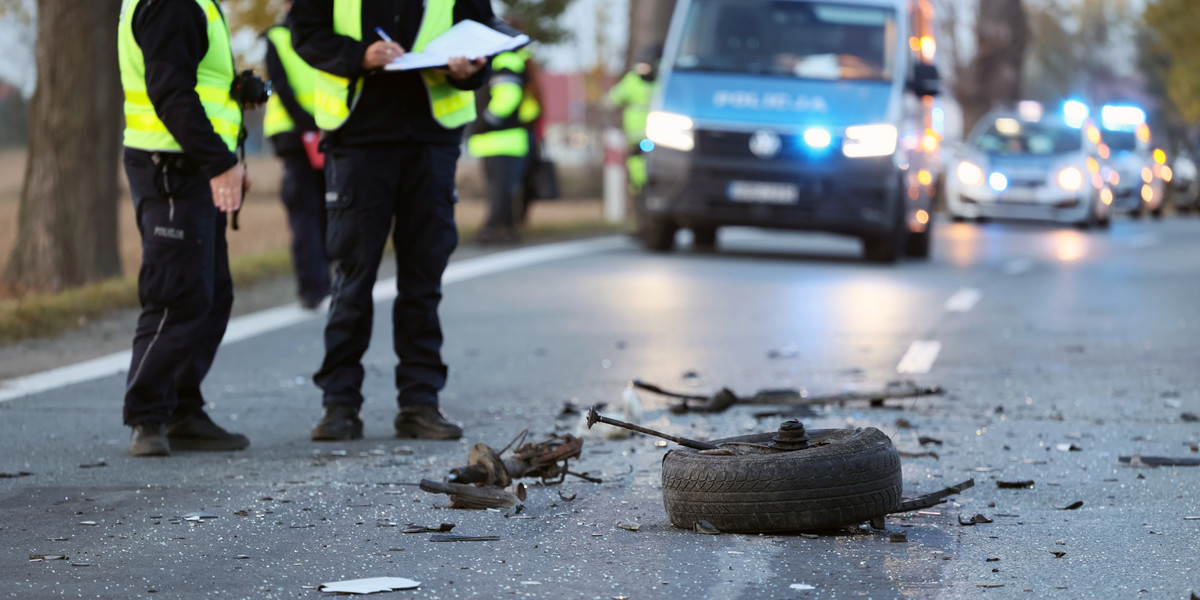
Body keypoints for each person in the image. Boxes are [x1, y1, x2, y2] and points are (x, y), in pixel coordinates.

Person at [291, 0, 492, 441]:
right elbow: (305, 32)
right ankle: (340, 404)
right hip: (359, 139)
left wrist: (471, 70)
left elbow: (483, 35)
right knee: (352, 276)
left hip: (432, 141)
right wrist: (359, 56)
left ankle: (420, 404)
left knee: (423, 278)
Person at [117, 0, 253, 456]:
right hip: (173, 166)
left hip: (193, 163)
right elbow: (170, 92)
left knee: (211, 291)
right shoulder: (173, 4)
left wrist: (237, 96)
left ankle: (181, 409)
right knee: (177, 293)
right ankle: (147, 414)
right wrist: (221, 164)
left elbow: (198, 82)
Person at [263, 0, 331, 309]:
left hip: (317, 129)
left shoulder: (280, 35)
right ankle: (315, 287)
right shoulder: (277, 37)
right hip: (304, 132)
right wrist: (312, 125)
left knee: (320, 212)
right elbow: (281, 85)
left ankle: (320, 286)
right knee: (310, 211)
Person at [468, 44, 537, 243]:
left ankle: (491, 229)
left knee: (500, 190)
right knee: (502, 190)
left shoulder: (505, 61)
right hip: (500, 141)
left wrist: (484, 122)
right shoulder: (509, 60)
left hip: (502, 140)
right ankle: (506, 229)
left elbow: (507, 97)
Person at [608, 45, 660, 196]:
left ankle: (651, 187)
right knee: (636, 163)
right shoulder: (632, 80)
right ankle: (640, 189)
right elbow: (614, 97)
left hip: (659, 133)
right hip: (636, 135)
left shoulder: (663, 80)